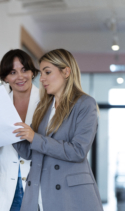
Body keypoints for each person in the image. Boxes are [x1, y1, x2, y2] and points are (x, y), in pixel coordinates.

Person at [12, 49, 103, 211]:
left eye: (47, 72)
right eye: (41, 73)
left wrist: (34, 137)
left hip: (70, 196)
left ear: (66, 72)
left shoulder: (85, 104)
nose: (42, 79)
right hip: (38, 193)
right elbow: (28, 151)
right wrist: (7, 132)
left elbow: (78, 151)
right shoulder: (43, 107)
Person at [0, 49, 40, 211]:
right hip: (6, 191)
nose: (20, 76)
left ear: (32, 73)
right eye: (13, 72)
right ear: (5, 77)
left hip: (37, 187)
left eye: (24, 70)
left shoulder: (46, 101)